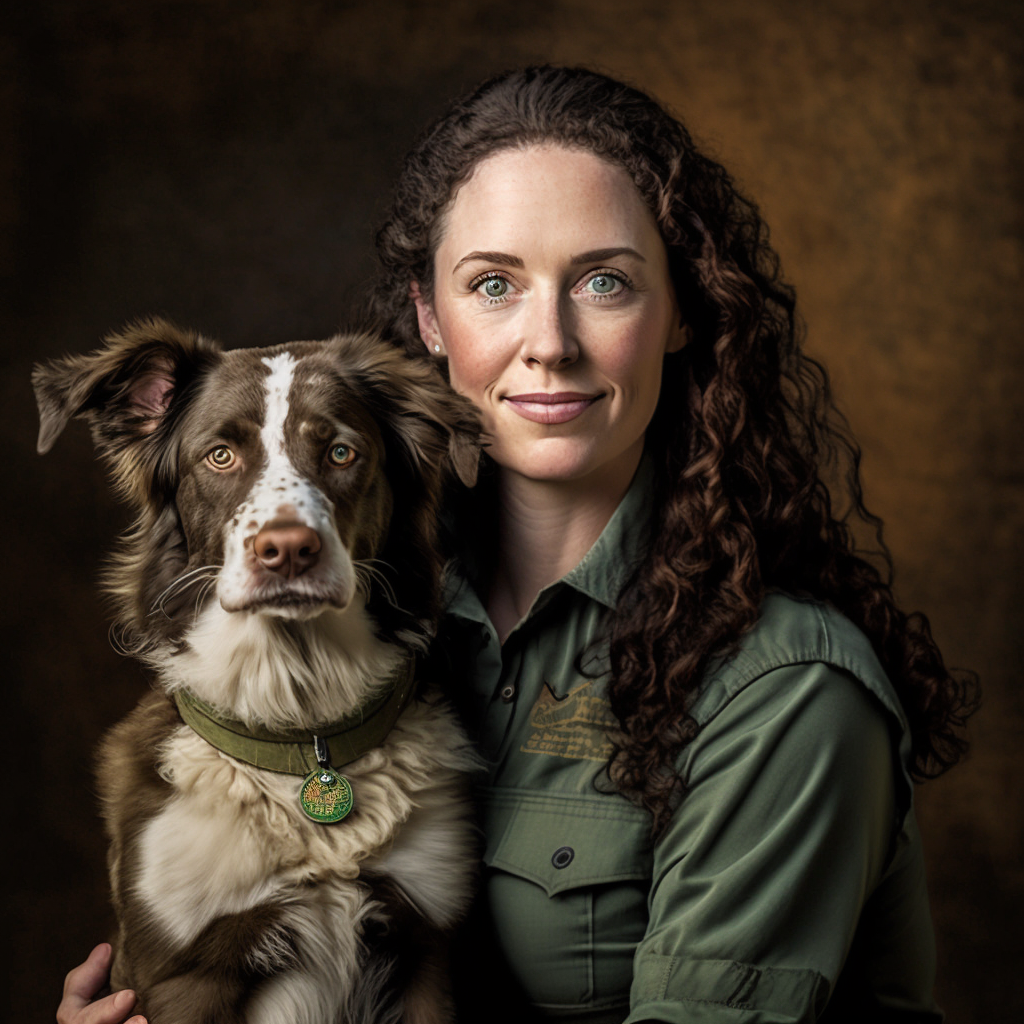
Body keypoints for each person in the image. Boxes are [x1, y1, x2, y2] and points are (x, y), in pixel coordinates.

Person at [58, 65, 976, 1024]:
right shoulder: (371, 621)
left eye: (606, 282)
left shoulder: (785, 694)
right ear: (430, 318)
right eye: (494, 284)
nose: (550, 342)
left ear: (682, 311)